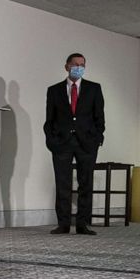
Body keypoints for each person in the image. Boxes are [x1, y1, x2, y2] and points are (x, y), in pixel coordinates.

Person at [44, 52, 105, 235]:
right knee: (62, 183)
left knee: (85, 183)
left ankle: (82, 223)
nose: (78, 68)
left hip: (86, 143)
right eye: (75, 64)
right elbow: (50, 119)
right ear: (67, 66)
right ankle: (63, 223)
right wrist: (51, 140)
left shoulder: (94, 88)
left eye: (82, 65)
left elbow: (99, 118)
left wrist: (96, 138)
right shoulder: (54, 90)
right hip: (62, 142)